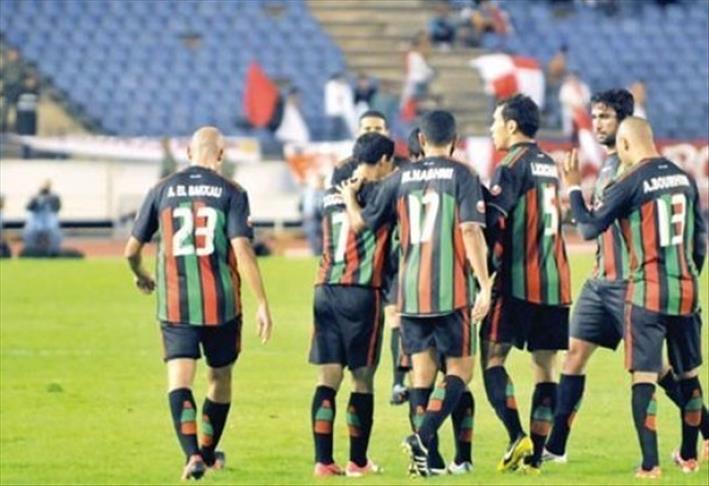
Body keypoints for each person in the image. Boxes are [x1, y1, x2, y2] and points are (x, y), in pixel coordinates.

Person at [544, 89, 709, 464]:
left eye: (604, 117)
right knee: (574, 355)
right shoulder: (608, 165)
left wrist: (574, 194)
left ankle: (701, 434)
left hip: (631, 283)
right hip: (600, 281)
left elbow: (595, 224)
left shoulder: (632, 169)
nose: (596, 123)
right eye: (594, 116)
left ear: (624, 126)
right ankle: (556, 447)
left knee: (657, 370)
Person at [339, 110, 493, 477]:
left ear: (421, 140)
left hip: (409, 293)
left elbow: (361, 224)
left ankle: (430, 463)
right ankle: (422, 438)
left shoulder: (399, 178)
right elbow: (471, 230)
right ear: (454, 141)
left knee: (421, 377)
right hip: (451, 290)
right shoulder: (463, 175)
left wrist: (349, 198)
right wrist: (485, 284)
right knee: (460, 372)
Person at [124, 126, 273, 480]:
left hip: (176, 301)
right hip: (222, 302)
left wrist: (141, 274)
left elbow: (131, 251)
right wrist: (262, 302)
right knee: (220, 377)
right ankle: (206, 451)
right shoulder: (232, 191)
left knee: (180, 378)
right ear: (220, 155)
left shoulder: (161, 189)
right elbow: (242, 249)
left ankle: (191, 455)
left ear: (189, 152)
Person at [481, 94, 571, 475]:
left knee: (492, 358)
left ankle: (517, 436)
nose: (492, 129)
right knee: (546, 368)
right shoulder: (549, 164)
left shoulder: (510, 166)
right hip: (556, 280)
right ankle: (535, 458)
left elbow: (495, 224)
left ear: (512, 125)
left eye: (495, 121)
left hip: (518, 280)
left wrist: (484, 274)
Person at [309, 132, 396, 477]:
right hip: (361, 291)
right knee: (362, 379)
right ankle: (357, 461)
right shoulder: (381, 193)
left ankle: (323, 462)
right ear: (384, 161)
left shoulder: (330, 193)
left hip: (325, 288)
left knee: (327, 378)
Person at [21, 180, 62, 257]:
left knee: (54, 238)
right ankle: (31, 253)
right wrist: (37, 200)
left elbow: (58, 208)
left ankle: (53, 253)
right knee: (30, 237)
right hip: (36, 224)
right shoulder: (35, 197)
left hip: (49, 224)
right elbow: (28, 207)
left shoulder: (54, 197)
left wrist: (49, 200)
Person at [324, 73, 356, 141]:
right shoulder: (332, 86)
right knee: (336, 131)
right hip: (337, 113)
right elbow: (338, 99)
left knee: (341, 131)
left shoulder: (344, 87)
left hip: (342, 113)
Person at [0, 48, 26, 132]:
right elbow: (2, 75)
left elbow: (23, 77)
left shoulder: (21, 66)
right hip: (8, 89)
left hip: (17, 90)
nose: (14, 56)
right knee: (5, 109)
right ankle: (3, 127)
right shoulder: (6, 65)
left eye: (16, 54)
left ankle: (16, 128)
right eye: (13, 54)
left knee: (16, 111)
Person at [559, 72, 591, 138]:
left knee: (584, 129)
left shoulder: (583, 87)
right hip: (570, 110)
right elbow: (564, 100)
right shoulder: (566, 87)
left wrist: (582, 107)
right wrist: (574, 107)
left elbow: (587, 99)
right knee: (570, 130)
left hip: (582, 110)